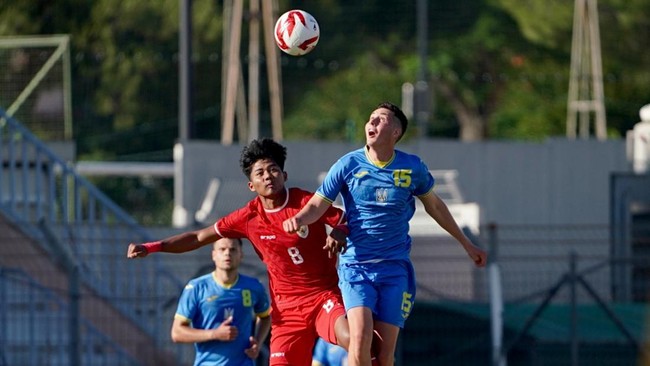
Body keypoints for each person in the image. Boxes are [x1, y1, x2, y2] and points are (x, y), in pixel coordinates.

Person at [283, 101, 488, 366]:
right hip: (356, 266)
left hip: (394, 269)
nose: (372, 123)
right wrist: (298, 219)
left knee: (384, 352)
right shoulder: (348, 165)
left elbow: (435, 206)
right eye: (371, 119)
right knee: (359, 338)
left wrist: (466, 244)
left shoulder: (412, 167)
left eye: (381, 119)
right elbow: (317, 204)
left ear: (396, 132)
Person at [128, 138, 354, 366]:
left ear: (284, 175)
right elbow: (198, 237)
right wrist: (152, 247)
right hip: (287, 311)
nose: (267, 176)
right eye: (260, 172)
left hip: (323, 295)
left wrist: (340, 231)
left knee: (352, 339)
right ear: (251, 185)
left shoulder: (307, 203)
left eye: (273, 169)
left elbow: (347, 218)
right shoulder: (248, 217)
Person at [171, 237, 271, 365]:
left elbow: (265, 317)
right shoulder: (197, 287)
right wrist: (214, 334)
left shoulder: (254, 287)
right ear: (213, 255)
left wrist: (257, 341)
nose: (227, 253)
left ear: (241, 254)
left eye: (233, 249)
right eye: (222, 249)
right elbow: (177, 333)